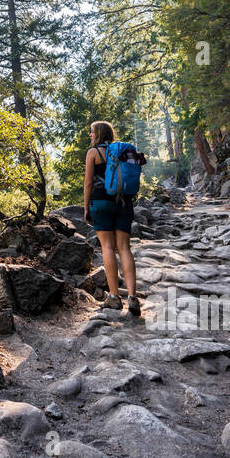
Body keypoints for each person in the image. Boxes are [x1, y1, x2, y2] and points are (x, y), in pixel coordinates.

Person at [83, 120, 141, 315]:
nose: (90, 135)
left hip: (100, 203)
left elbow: (89, 183)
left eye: (92, 132)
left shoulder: (93, 153)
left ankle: (114, 297)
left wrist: (85, 208)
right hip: (124, 203)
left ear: (98, 134)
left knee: (107, 247)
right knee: (124, 247)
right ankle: (133, 297)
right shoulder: (121, 152)